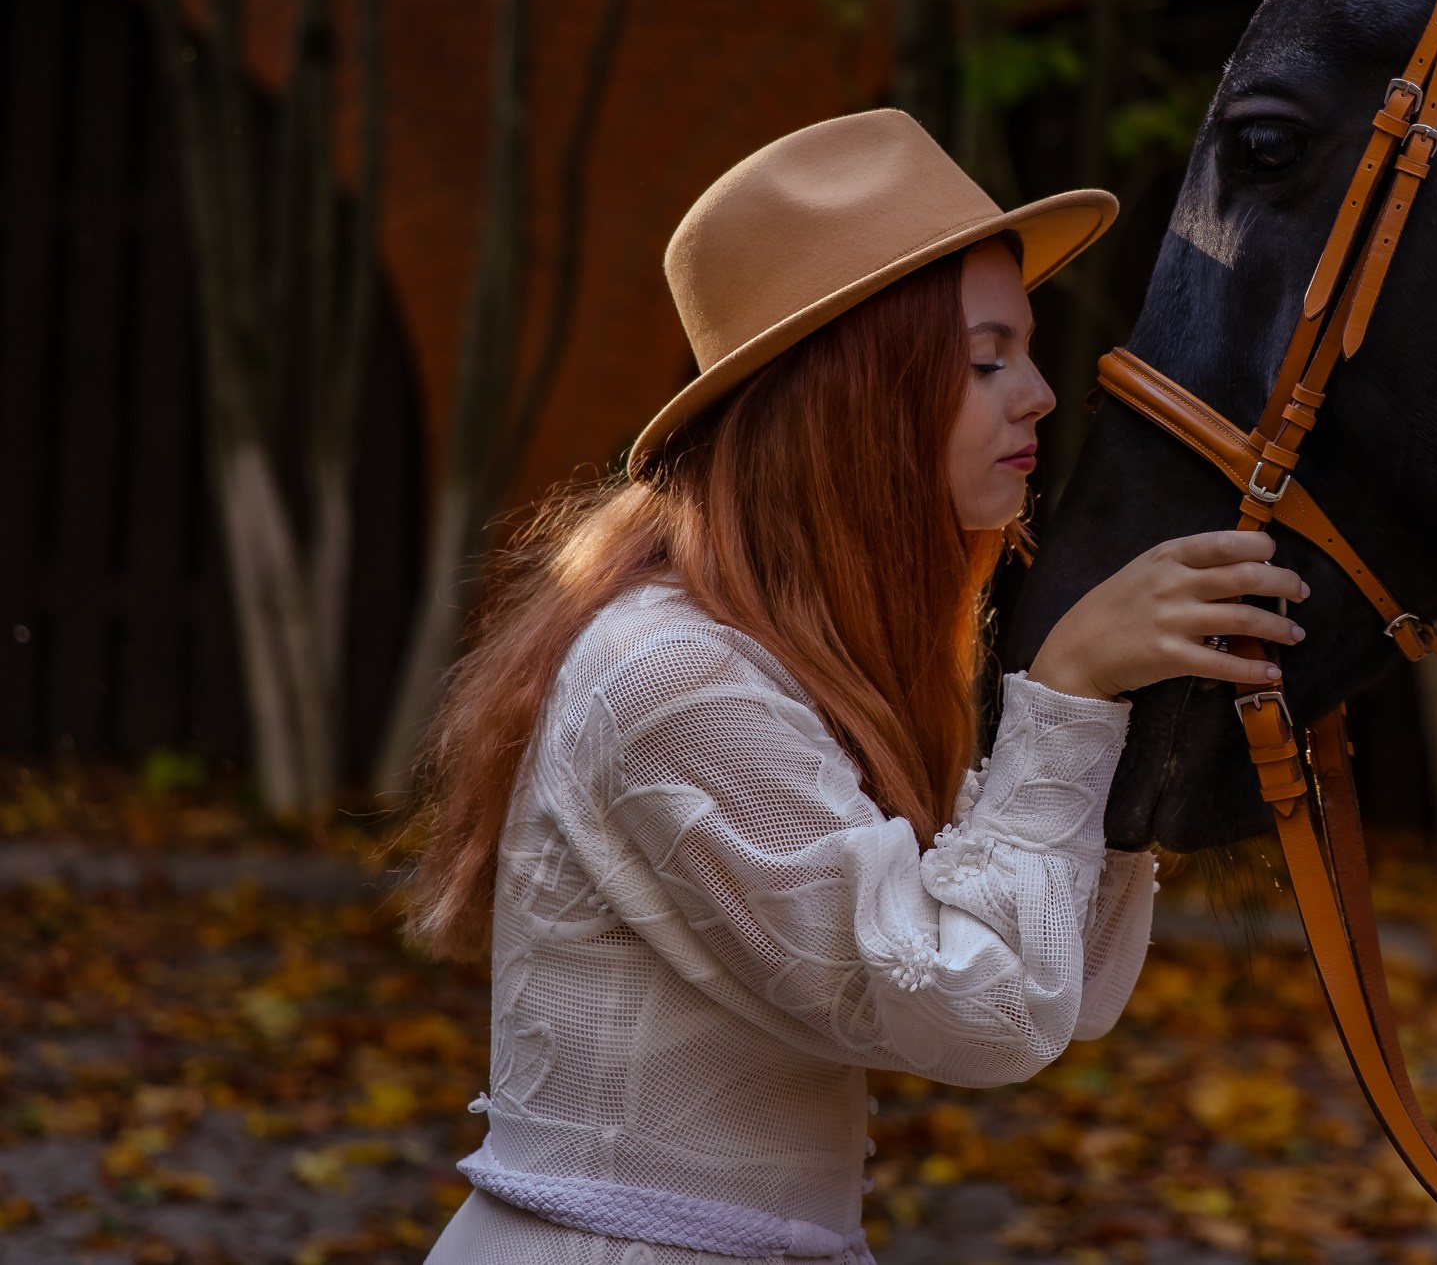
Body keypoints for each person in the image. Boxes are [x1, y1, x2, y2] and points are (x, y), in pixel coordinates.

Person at [406, 110, 1304, 1264]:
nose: (1036, 394)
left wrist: (1126, 710)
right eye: (984, 361)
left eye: (1023, 351)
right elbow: (981, 1012)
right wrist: (1067, 693)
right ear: (852, 396)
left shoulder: (768, 657)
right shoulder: (674, 680)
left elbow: (1056, 986)